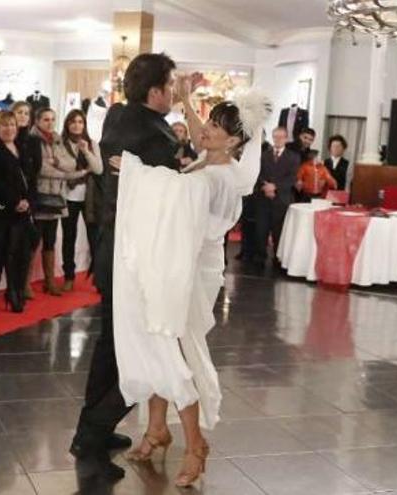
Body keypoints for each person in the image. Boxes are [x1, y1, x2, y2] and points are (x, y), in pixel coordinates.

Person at [116, 81, 271, 488]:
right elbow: (201, 133)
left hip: (189, 271)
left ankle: (196, 444)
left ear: (235, 140)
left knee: (176, 349)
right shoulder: (210, 157)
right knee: (158, 340)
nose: (205, 129)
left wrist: (133, 171)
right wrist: (187, 101)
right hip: (173, 264)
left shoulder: (221, 177)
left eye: (217, 127)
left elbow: (176, 192)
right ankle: (156, 429)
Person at [69, 53, 179, 482]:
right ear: (155, 92)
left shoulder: (116, 116)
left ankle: (90, 431)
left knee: (110, 343)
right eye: (170, 86)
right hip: (137, 252)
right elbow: (167, 196)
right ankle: (92, 431)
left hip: (112, 246)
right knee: (137, 349)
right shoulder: (158, 137)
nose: (173, 94)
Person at [32, 108, 88, 296]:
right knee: (33, 241)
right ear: (38, 120)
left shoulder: (57, 139)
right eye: (46, 119)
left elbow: (69, 162)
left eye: (52, 119)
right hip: (38, 194)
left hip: (56, 196)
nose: (49, 122)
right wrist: (66, 174)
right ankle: (23, 283)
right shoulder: (33, 140)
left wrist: (60, 165)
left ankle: (49, 281)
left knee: (50, 240)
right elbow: (41, 168)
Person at [0, 111, 31, 316]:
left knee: (16, 253)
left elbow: (31, 178)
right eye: (4, 125)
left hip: (21, 211)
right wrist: (14, 201)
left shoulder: (22, 147)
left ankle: (13, 291)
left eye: (12, 125)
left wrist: (28, 201)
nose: (9, 129)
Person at [59, 109, 102, 291]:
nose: (77, 125)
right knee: (69, 238)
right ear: (67, 124)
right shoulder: (60, 144)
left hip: (89, 197)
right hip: (68, 196)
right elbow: (63, 171)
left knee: (94, 238)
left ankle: (98, 277)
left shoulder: (91, 143)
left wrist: (86, 151)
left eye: (80, 122)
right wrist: (84, 172)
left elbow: (99, 169)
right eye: (73, 121)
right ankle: (69, 275)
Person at [252, 127, 300, 265]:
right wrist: (266, 187)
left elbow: (292, 178)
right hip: (263, 198)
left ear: (286, 138)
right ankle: (260, 257)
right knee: (261, 229)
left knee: (279, 231)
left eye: (281, 137)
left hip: (281, 199)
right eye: (275, 137)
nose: (277, 140)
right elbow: (258, 174)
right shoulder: (264, 155)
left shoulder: (293, 157)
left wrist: (275, 186)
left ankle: (278, 258)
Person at [11, 101, 42, 299]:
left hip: (29, 196)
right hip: (10, 199)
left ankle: (24, 282)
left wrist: (29, 199)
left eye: (26, 113)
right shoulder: (5, 139)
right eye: (19, 112)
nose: (23, 116)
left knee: (31, 241)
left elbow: (34, 171)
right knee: (13, 245)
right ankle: (14, 286)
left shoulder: (33, 142)